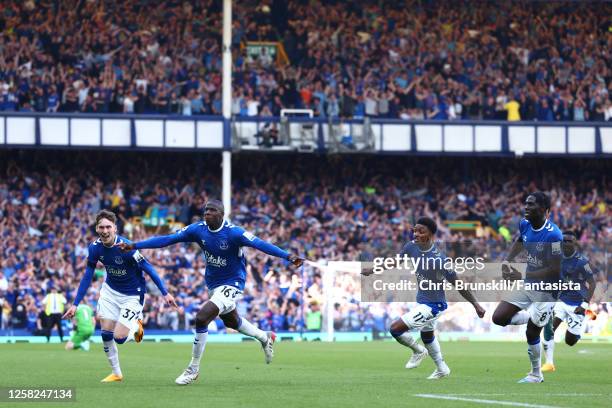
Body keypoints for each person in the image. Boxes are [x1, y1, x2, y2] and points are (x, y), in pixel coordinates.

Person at [117, 199, 304, 385]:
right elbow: (168, 239)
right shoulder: (198, 230)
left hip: (233, 283)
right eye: (205, 210)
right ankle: (265, 337)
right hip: (213, 284)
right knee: (232, 321)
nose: (207, 213)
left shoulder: (234, 233)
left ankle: (193, 369)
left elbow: (261, 244)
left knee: (202, 317)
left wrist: (287, 256)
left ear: (221, 214)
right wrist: (135, 245)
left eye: (212, 210)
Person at [63, 210, 177, 382]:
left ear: (115, 228)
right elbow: (88, 275)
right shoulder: (95, 248)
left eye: (108, 227)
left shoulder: (126, 246)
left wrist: (165, 292)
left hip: (132, 294)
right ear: (96, 228)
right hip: (110, 291)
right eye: (101, 227)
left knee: (119, 338)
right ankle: (116, 373)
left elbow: (148, 267)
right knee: (106, 334)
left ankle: (136, 327)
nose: (105, 230)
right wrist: (75, 304)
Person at [386, 217, 486, 379]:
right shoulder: (411, 247)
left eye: (421, 231)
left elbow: (458, 284)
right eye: (415, 230)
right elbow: (395, 262)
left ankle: (418, 351)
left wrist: (476, 305)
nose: (416, 234)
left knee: (395, 329)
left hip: (434, 306)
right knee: (427, 336)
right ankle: (442, 368)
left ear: (431, 234)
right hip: (423, 302)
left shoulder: (440, 260)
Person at [492, 192, 562, 383]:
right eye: (526, 203)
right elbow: (520, 240)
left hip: (547, 290)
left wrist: (522, 274)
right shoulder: (525, 224)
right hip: (529, 282)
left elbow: (555, 270)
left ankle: (536, 374)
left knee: (532, 332)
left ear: (543, 209)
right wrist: (507, 261)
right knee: (498, 318)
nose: (526, 207)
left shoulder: (554, 235)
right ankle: (532, 317)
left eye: (530, 204)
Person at [542, 231, 597, 372]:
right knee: (549, 329)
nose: (565, 243)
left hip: (577, 305)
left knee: (570, 341)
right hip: (561, 300)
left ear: (575, 243)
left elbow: (592, 283)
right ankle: (549, 363)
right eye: (564, 241)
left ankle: (578, 326)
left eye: (569, 241)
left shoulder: (582, 262)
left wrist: (584, 305)